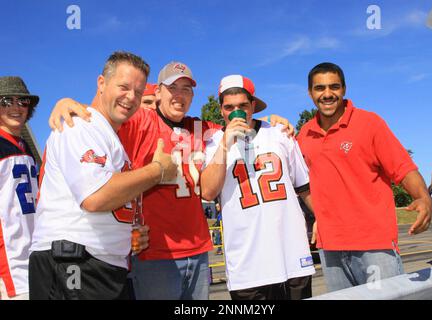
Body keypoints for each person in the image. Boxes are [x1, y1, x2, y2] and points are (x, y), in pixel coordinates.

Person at [47, 62, 294, 300]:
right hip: (155, 251)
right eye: (172, 88)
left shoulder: (201, 128)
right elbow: (106, 113)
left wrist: (273, 122)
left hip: (197, 248)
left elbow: (240, 123)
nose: (179, 95)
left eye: (186, 89)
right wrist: (70, 104)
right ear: (158, 92)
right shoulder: (141, 122)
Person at [28, 51, 177, 300]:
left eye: (138, 92)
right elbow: (96, 197)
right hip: (73, 263)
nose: (131, 97)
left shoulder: (108, 136)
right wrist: (157, 170)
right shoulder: (80, 124)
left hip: (100, 265)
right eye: (124, 87)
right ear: (101, 83)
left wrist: (124, 233)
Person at [297, 62, 432, 292]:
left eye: (334, 87)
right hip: (330, 247)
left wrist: (423, 198)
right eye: (320, 88)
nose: (327, 94)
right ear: (310, 93)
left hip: (374, 245)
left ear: (344, 89)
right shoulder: (304, 134)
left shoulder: (370, 123)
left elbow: (403, 168)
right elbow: (303, 185)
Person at [201, 75, 315, 300]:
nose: (237, 111)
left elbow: (304, 186)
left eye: (243, 105)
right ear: (221, 110)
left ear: (253, 105)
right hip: (247, 264)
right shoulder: (212, 143)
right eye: (229, 107)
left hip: (291, 255)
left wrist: (320, 217)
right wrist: (226, 143)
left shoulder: (280, 133)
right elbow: (207, 192)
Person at [0, 77, 39, 300]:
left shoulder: (24, 148)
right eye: (6, 101)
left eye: (22, 101)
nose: (15, 107)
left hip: (34, 259)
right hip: (10, 267)